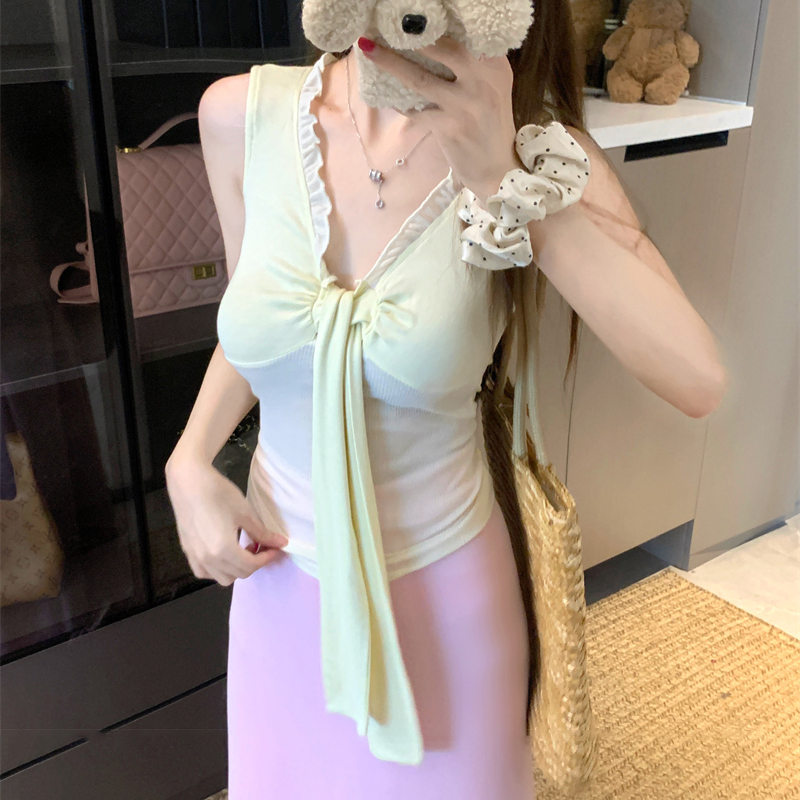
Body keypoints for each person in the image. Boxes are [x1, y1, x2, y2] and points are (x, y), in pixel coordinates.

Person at [165, 23, 727, 800]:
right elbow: (262, 326)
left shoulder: (538, 152)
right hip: (280, 592)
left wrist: (506, 180)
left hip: (446, 601)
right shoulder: (238, 115)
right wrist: (189, 458)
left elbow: (699, 379)